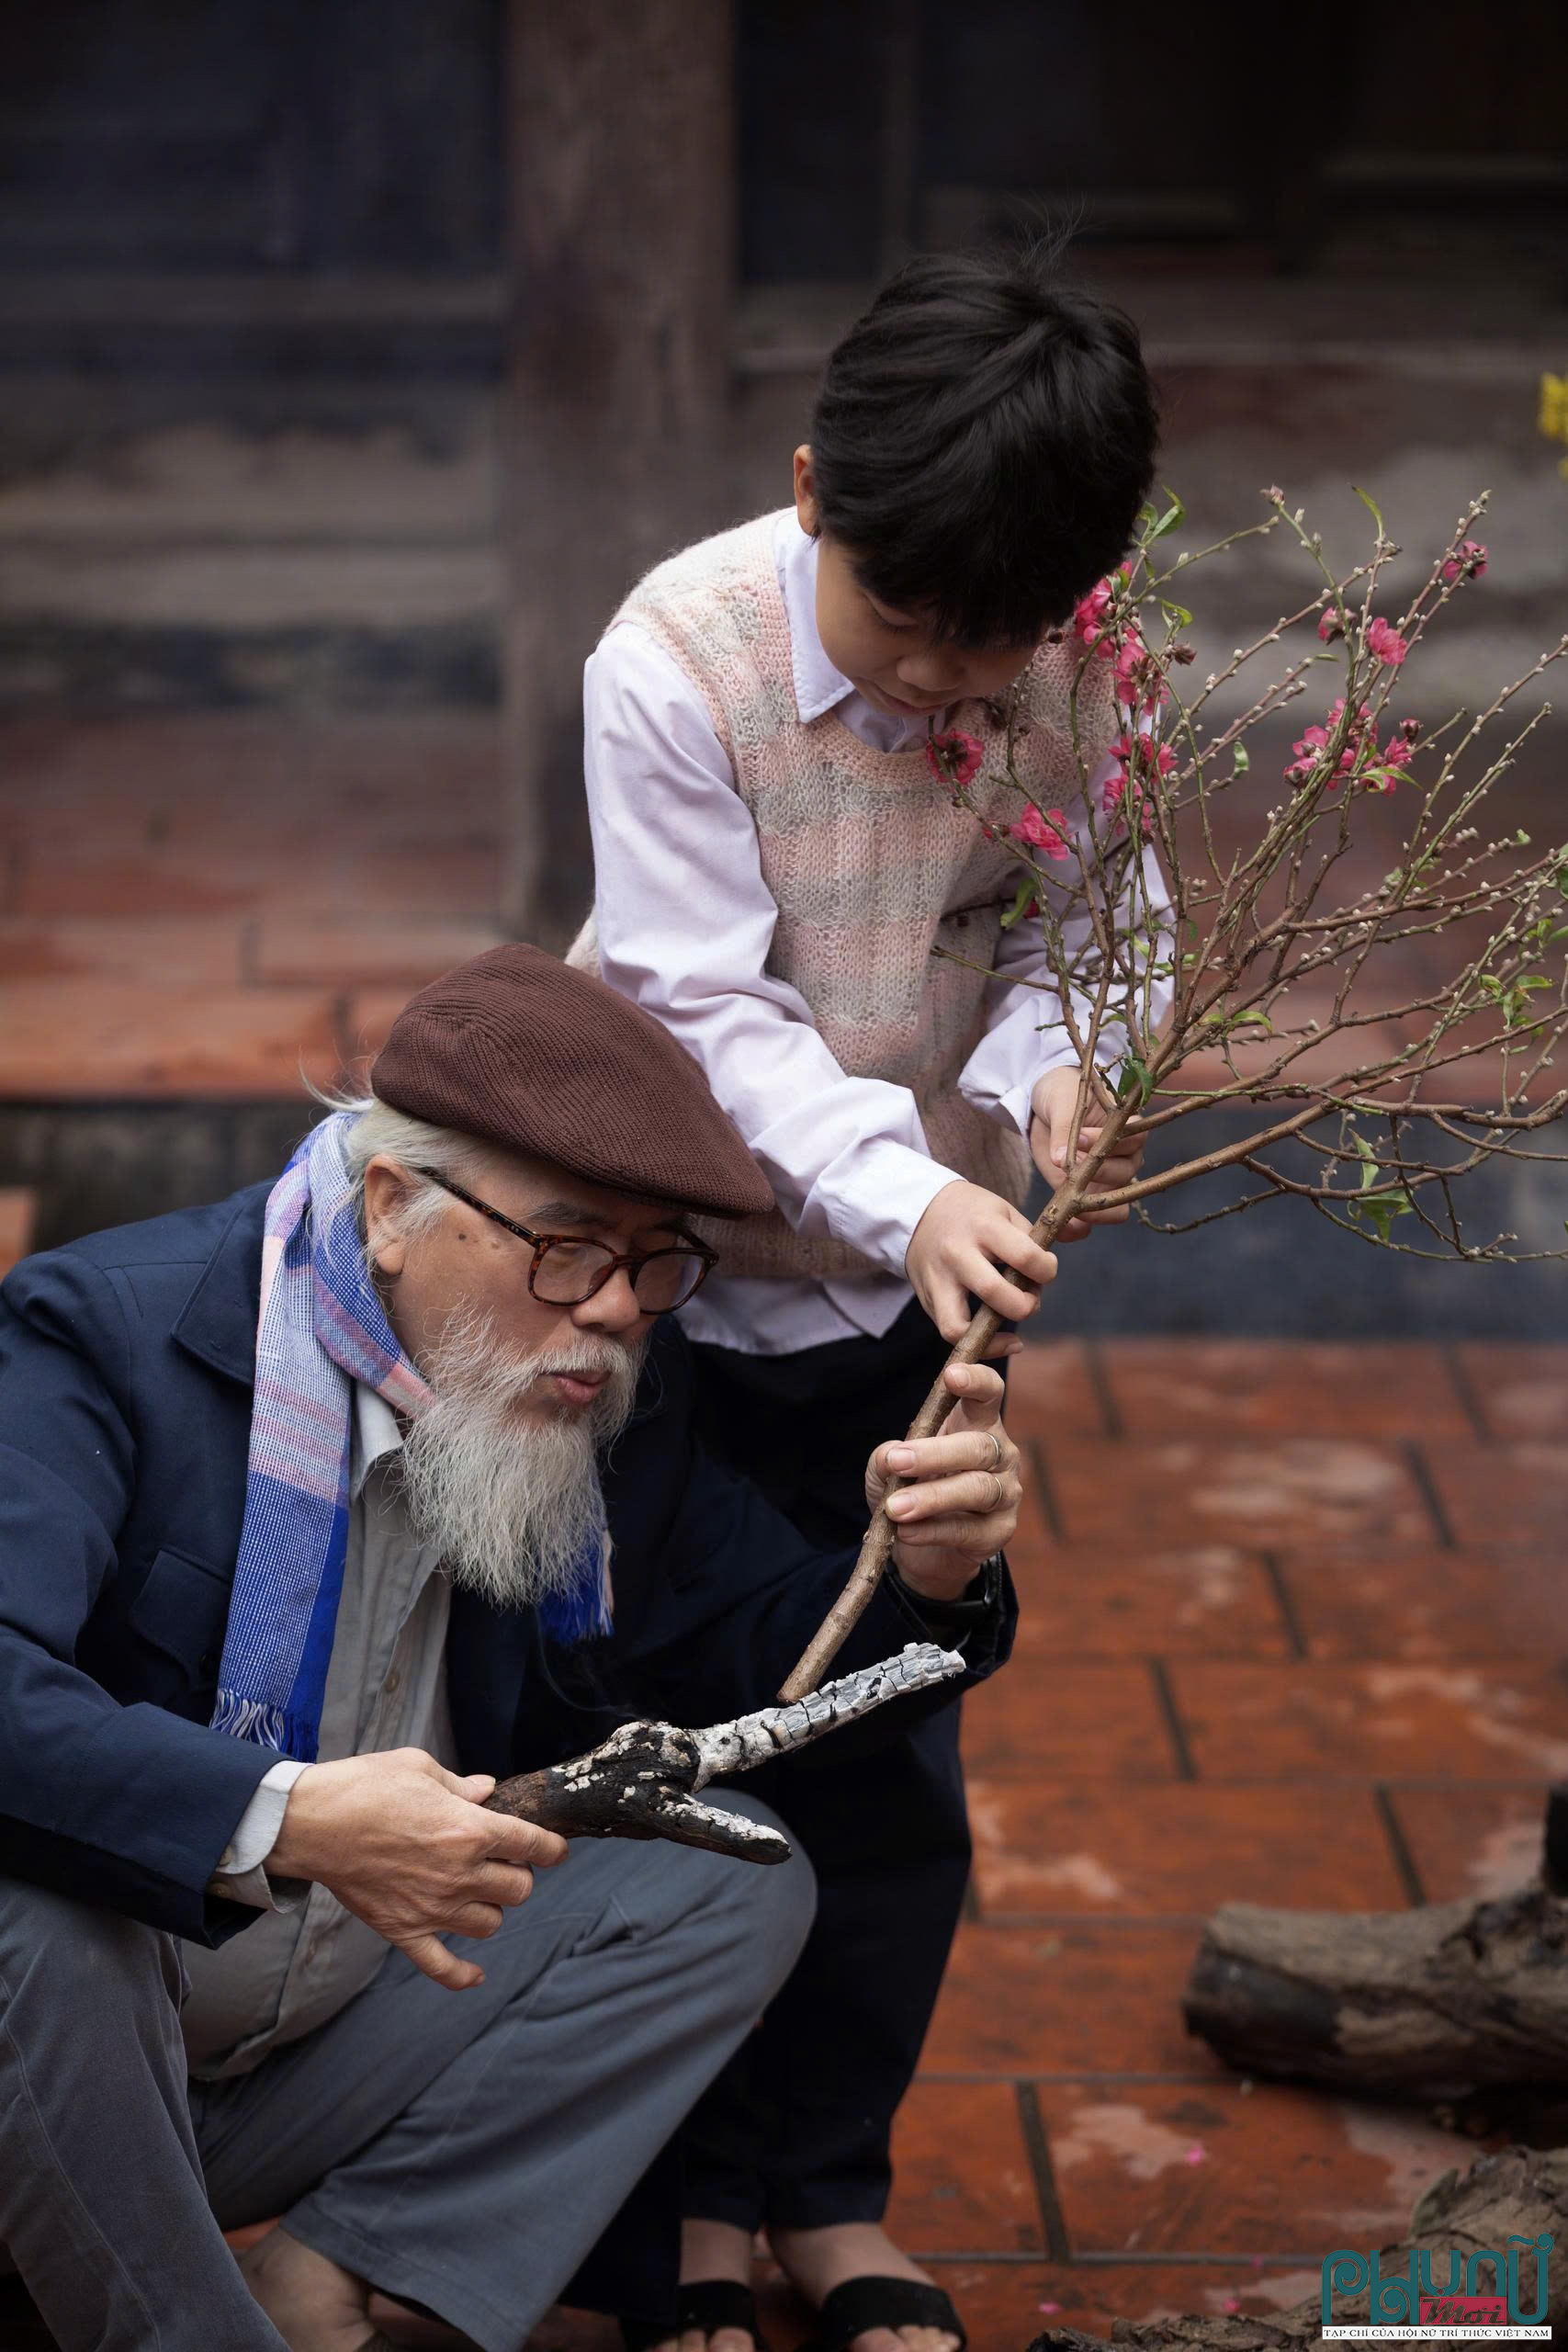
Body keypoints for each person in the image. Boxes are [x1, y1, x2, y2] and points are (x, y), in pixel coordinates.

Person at [0, 945, 1023, 2352]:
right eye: (566, 1245)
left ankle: (335, 2264)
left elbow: (765, 1657)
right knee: (41, 1904)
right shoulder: (100, 1340)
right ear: (393, 1208)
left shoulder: (585, 1395)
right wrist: (282, 1817)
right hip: (51, 2071)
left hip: (278, 2080)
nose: (611, 1309)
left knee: (726, 1874)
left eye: (653, 1258)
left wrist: (928, 1576)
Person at [575, 245, 1172, 2352]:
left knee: (883, 1747)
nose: (950, 691)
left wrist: (1062, 1064)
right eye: (913, 631)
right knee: (660, 1731)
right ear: (814, 489)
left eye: (995, 648)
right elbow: (692, 1012)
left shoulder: (1079, 656)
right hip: (656, 1276)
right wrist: (902, 1178)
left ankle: (822, 2191)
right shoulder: (675, 656)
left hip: (913, 1287)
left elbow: (1083, 925)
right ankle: (676, 2214)